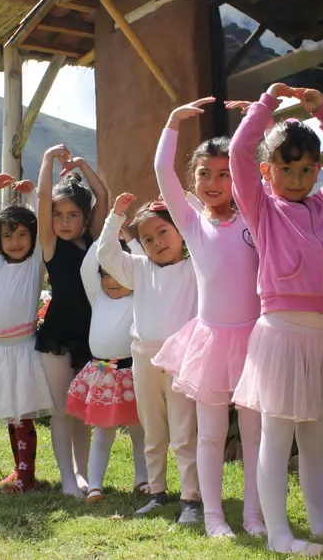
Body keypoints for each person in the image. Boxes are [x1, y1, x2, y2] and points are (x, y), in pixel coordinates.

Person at [227, 84, 323, 556]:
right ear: (267, 172)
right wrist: (267, 103)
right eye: (285, 168)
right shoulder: (262, 208)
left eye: (307, 168)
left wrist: (322, 111)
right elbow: (238, 154)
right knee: (276, 439)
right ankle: (279, 534)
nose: (297, 177)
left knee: (315, 442)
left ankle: (322, 527)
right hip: (283, 337)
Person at [151, 97, 265, 538]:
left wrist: (260, 119)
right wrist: (172, 123)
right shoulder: (193, 222)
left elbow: (265, 169)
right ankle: (215, 517)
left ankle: (255, 516)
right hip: (212, 343)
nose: (214, 182)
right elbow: (162, 172)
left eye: (225, 174)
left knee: (255, 437)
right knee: (211, 435)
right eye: (204, 174)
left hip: (256, 342)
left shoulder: (256, 215)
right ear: (192, 180)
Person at [97, 193, 202, 525]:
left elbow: (206, 231)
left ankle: (191, 498)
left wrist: (186, 201)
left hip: (181, 363)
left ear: (180, 231)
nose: (157, 242)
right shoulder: (138, 269)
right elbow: (106, 253)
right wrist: (115, 217)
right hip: (143, 361)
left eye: (163, 232)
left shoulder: (195, 266)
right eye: (147, 238)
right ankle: (156, 492)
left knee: (184, 433)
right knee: (152, 431)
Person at [0, 173, 56, 494]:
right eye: (9, 235)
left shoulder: (35, 261)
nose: (17, 241)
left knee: (23, 417)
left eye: (23, 234)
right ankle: (18, 471)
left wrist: (33, 195)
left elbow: (44, 225)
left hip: (23, 349)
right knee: (10, 413)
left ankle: (27, 476)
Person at [35, 144, 109, 497]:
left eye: (72, 215)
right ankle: (67, 479)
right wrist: (48, 160)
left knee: (83, 409)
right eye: (57, 214)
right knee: (63, 409)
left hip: (89, 334)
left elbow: (103, 195)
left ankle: (82, 474)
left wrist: (82, 164)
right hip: (57, 335)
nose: (64, 221)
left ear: (85, 217)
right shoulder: (50, 244)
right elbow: (43, 198)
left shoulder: (92, 240)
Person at [66, 233, 148, 504]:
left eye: (120, 274)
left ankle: (143, 481)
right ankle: (95, 486)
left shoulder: (140, 296)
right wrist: (106, 235)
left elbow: (143, 264)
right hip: (101, 376)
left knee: (140, 432)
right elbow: (86, 267)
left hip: (131, 375)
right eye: (107, 274)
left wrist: (132, 241)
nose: (112, 282)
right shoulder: (98, 297)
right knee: (103, 431)